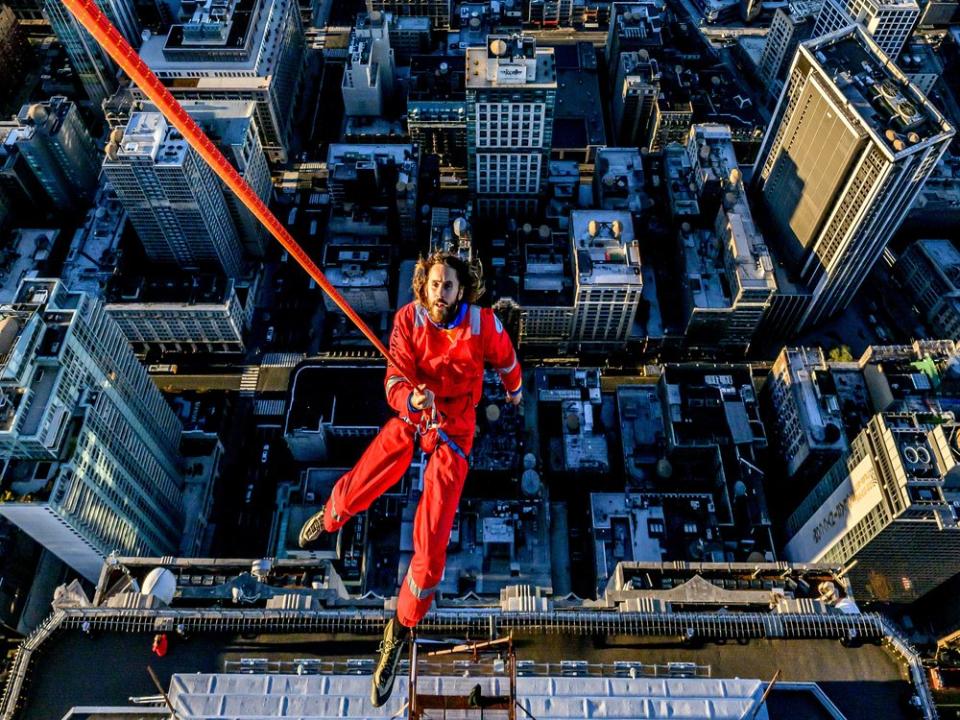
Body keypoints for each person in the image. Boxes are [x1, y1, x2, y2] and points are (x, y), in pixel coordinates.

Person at [298, 251, 523, 707]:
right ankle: (333, 513)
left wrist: (515, 390)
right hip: (417, 415)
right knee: (377, 465)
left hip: (454, 430)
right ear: (424, 287)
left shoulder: (481, 325)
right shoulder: (408, 320)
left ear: (462, 292)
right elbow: (394, 377)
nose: (441, 292)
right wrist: (410, 399)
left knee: (433, 545)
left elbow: (507, 358)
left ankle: (399, 629)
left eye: (450, 286)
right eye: (435, 284)